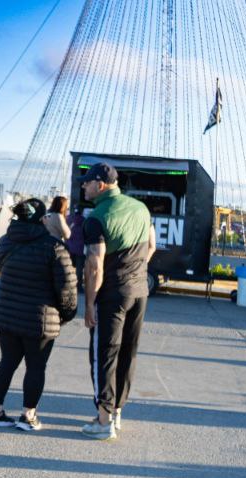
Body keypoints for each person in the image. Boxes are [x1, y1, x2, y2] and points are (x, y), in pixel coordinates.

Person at [0, 198, 78, 431]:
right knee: (35, 367)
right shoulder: (54, 247)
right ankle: (28, 416)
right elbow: (67, 288)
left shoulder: (5, 242)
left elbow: (1, 267)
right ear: (42, 219)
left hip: (7, 314)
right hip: (40, 319)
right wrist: (67, 314)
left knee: (7, 362)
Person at [78, 163, 155, 441]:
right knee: (127, 353)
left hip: (112, 294)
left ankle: (103, 420)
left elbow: (95, 266)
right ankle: (117, 412)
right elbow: (151, 245)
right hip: (139, 292)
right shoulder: (141, 209)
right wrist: (135, 271)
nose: (83, 186)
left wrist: (89, 304)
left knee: (105, 355)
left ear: (100, 185)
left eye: (87, 182)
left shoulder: (97, 217)